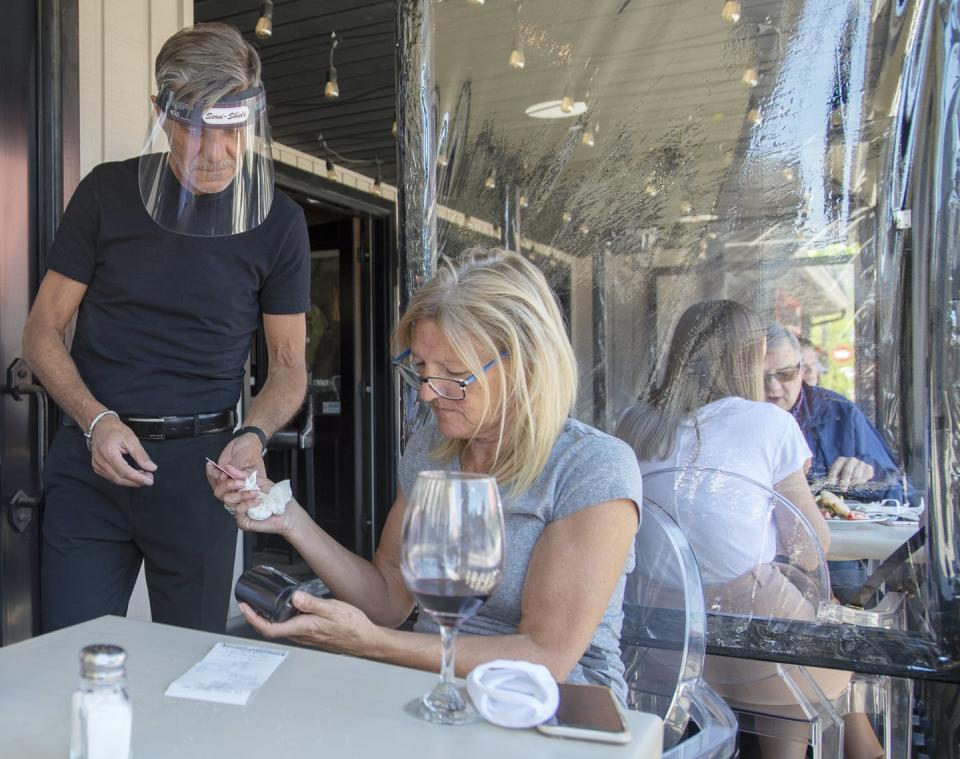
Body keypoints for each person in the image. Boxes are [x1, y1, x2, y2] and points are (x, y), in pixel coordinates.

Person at [212, 247, 642, 701]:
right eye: (419, 370)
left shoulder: (589, 467)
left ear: (526, 365)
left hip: (556, 706)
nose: (428, 395)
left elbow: (546, 658)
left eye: (454, 374)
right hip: (432, 686)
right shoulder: (432, 449)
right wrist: (288, 517)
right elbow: (390, 599)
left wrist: (375, 645)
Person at [22, 23, 310, 633]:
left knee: (191, 666)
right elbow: (42, 331)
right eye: (195, 130)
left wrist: (253, 436)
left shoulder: (278, 221)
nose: (216, 152)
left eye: (232, 130)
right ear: (161, 112)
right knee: (72, 657)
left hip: (203, 472)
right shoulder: (106, 192)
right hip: (92, 460)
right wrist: (95, 420)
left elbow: (288, 367)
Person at [616, 300, 882, 759]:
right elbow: (809, 546)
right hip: (748, 630)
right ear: (746, 359)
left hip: (660, 633)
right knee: (833, 638)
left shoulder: (634, 424)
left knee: (812, 629)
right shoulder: (770, 423)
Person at [765, 324, 907, 501]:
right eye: (760, 377)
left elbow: (902, 493)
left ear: (801, 371)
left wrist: (872, 475)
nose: (773, 388)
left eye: (785, 374)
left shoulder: (842, 414)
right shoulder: (731, 420)